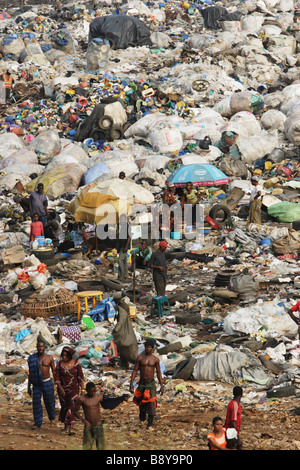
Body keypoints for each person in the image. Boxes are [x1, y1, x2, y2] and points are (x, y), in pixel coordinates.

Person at [74, 382, 129, 450]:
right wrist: (84, 421)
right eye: (91, 391)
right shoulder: (82, 399)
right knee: (86, 447)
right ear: (87, 390)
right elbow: (75, 411)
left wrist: (121, 400)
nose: (93, 393)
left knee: (101, 447)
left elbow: (110, 405)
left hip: (98, 426)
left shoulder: (99, 397)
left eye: (95, 391)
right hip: (88, 426)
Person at [130, 338, 164, 429]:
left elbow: (159, 373)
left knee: (152, 403)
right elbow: (135, 370)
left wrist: (162, 386)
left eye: (150, 347)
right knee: (141, 404)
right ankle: (142, 419)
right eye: (146, 347)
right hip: (142, 384)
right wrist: (131, 383)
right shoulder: (140, 358)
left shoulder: (155, 359)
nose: (148, 348)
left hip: (151, 384)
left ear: (152, 348)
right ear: (144, 347)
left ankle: (150, 425)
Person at [54, 346, 85, 435]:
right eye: (63, 355)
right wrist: (60, 388)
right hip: (63, 390)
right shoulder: (60, 364)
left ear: (70, 356)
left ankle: (70, 428)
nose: (64, 357)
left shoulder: (76, 364)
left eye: (66, 356)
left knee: (72, 407)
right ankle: (65, 426)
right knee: (64, 407)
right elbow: (57, 378)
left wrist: (82, 389)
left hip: (74, 389)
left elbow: (80, 377)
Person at [27, 340, 56, 430]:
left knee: (50, 402)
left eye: (42, 346)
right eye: (39, 347)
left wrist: (56, 383)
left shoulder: (49, 358)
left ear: (45, 348)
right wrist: (29, 387)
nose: (40, 348)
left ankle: (52, 417)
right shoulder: (32, 358)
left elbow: (54, 371)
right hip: (36, 384)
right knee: (36, 404)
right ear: (37, 348)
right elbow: (30, 374)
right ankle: (38, 423)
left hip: (47, 382)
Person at [224, 385, 243, 450]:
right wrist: (238, 437)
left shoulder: (231, 403)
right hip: (231, 432)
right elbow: (233, 422)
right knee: (238, 446)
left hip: (229, 430)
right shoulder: (235, 405)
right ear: (241, 395)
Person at [116, 214, 131, 280]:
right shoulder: (121, 226)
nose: (121, 220)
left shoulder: (127, 226)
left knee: (120, 260)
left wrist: (126, 246)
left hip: (124, 246)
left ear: (125, 219)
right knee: (124, 261)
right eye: (121, 219)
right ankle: (126, 275)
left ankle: (121, 275)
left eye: (123, 219)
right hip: (121, 246)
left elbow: (129, 237)